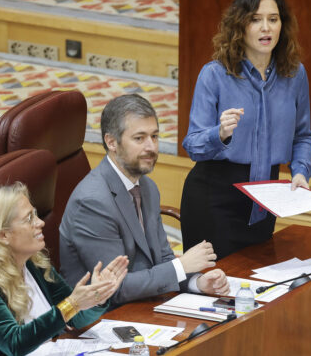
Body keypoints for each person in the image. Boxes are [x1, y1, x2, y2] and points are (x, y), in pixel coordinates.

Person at [181, 0, 311, 259]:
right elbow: (193, 145)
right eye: (255, 20)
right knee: (217, 293)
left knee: (255, 290)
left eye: (273, 19)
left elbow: (303, 136)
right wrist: (219, 134)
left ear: (282, 26)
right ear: (240, 26)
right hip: (214, 200)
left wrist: (301, 171)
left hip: (265, 201)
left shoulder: (295, 75)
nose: (266, 27)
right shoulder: (215, 75)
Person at [59, 94, 230, 307]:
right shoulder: (93, 203)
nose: (151, 147)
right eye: (139, 138)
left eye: (155, 136)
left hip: (143, 301)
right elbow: (113, 289)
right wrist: (180, 267)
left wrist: (198, 282)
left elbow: (162, 258)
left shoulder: (147, 187)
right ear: (111, 142)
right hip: (101, 316)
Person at [0, 183, 128, 356]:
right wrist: (72, 304)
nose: (41, 222)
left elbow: (74, 319)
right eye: (29, 218)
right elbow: (15, 344)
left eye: (36, 214)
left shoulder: (33, 262)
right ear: (3, 235)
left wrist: (98, 297)